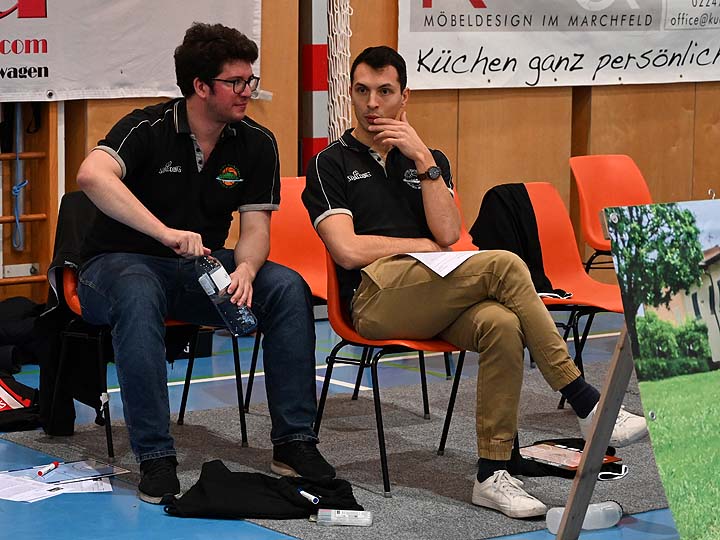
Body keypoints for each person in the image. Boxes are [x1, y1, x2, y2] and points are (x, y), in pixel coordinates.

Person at [302, 46, 647, 519]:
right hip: (372, 300)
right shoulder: (330, 162)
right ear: (350, 94)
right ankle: (584, 400)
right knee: (503, 264)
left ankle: (492, 473)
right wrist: (420, 246)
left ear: (405, 97)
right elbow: (346, 250)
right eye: (362, 91)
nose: (372, 104)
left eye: (384, 92)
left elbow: (448, 234)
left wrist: (422, 158)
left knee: (502, 324)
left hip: (437, 292)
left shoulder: (429, 160)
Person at [75, 22, 335, 504]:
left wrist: (248, 269)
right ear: (200, 86)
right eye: (235, 82)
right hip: (115, 266)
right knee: (138, 291)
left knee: (287, 286)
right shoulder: (146, 127)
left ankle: (294, 442)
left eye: (250, 80)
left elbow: (255, 230)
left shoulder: (257, 142)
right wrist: (165, 233)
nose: (247, 91)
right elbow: (92, 175)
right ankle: (155, 456)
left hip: (200, 270)